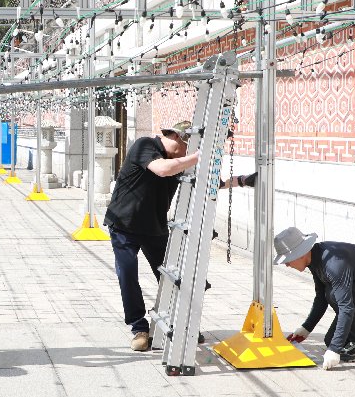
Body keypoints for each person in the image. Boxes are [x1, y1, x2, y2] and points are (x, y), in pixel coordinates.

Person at [105, 120, 257, 351]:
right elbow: (163, 169)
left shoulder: (182, 162)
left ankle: (182, 324)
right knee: (127, 275)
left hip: (154, 228)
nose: (190, 153)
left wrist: (242, 181)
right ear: (178, 138)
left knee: (174, 278)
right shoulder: (145, 145)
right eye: (190, 147)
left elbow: (211, 184)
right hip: (124, 225)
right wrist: (199, 155)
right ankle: (139, 328)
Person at [275, 226, 355, 370]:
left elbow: (346, 307)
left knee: (332, 294)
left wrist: (334, 350)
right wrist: (306, 328)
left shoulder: (333, 263)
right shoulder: (314, 258)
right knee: (330, 339)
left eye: (288, 259)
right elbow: (320, 298)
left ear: (300, 254)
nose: (287, 264)